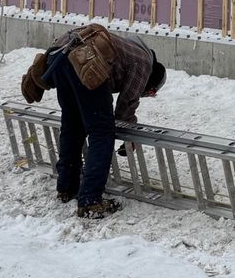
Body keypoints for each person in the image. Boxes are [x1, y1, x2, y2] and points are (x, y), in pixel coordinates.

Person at [21, 26, 167, 220]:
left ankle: (67, 188)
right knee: (102, 132)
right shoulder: (144, 63)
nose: (147, 94)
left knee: (73, 125)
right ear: (152, 84)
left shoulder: (127, 48)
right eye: (150, 93)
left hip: (60, 57)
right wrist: (130, 133)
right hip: (85, 61)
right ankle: (90, 201)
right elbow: (127, 103)